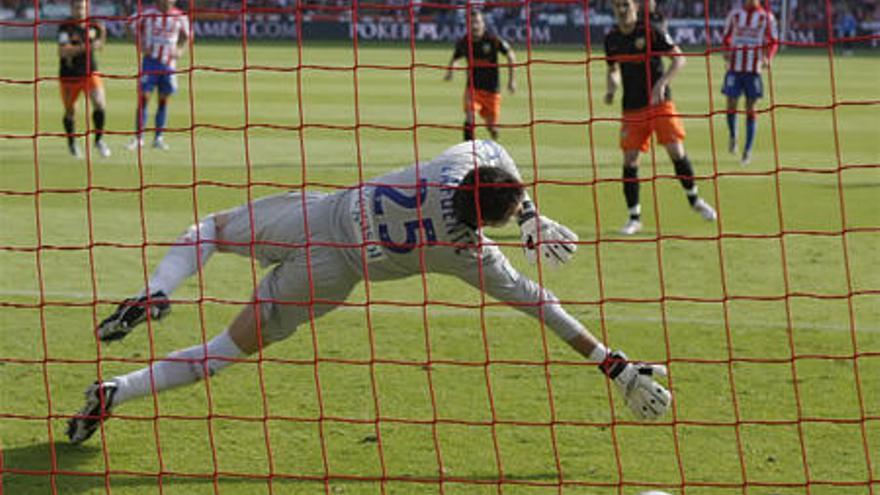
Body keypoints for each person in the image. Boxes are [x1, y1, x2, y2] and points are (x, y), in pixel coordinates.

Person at [66, 140, 672, 444]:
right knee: (227, 347)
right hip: (329, 278)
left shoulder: (449, 165)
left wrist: (529, 210)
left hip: (320, 214)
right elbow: (544, 304)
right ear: (487, 220)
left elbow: (491, 146)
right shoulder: (468, 253)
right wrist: (611, 364)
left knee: (209, 230)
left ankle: (157, 289)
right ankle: (117, 391)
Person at [604, 0, 717, 236]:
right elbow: (612, 69)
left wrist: (661, 83)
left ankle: (694, 199)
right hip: (632, 108)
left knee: (676, 151)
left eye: (625, 5)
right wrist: (611, 88)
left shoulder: (650, 31)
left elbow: (679, 58)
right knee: (630, 160)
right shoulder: (611, 39)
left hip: (660, 104)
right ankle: (634, 218)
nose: (621, 10)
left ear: (635, 7)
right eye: (617, 6)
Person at [126, 0, 191, 151]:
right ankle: (138, 138)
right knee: (144, 98)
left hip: (169, 65)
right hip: (150, 62)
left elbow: (187, 36)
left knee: (163, 101)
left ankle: (158, 138)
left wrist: (180, 51)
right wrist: (140, 45)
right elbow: (129, 25)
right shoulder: (147, 14)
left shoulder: (180, 16)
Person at [444, 10, 516, 141]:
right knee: (470, 117)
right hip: (473, 88)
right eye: (471, 23)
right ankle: (468, 152)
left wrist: (512, 81)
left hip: (492, 90)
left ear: (483, 24)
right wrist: (450, 72)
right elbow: (455, 57)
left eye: (477, 22)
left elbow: (510, 55)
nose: (474, 26)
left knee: (491, 127)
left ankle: (494, 138)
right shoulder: (464, 41)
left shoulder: (493, 39)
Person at [721, 0, 778, 166]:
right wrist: (726, 50)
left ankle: (747, 151)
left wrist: (769, 57)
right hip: (734, 68)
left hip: (754, 70)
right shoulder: (735, 14)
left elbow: (773, 41)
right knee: (731, 104)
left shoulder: (766, 17)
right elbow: (726, 36)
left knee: (751, 108)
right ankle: (733, 136)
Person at [58, 0, 111, 159]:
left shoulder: (94, 25)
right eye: (77, 7)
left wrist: (101, 37)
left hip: (90, 73)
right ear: (71, 8)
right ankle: (72, 143)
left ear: (87, 8)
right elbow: (63, 51)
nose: (80, 10)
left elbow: (100, 43)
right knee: (70, 112)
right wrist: (87, 46)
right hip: (69, 76)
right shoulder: (65, 27)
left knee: (100, 103)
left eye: (82, 7)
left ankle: (99, 140)